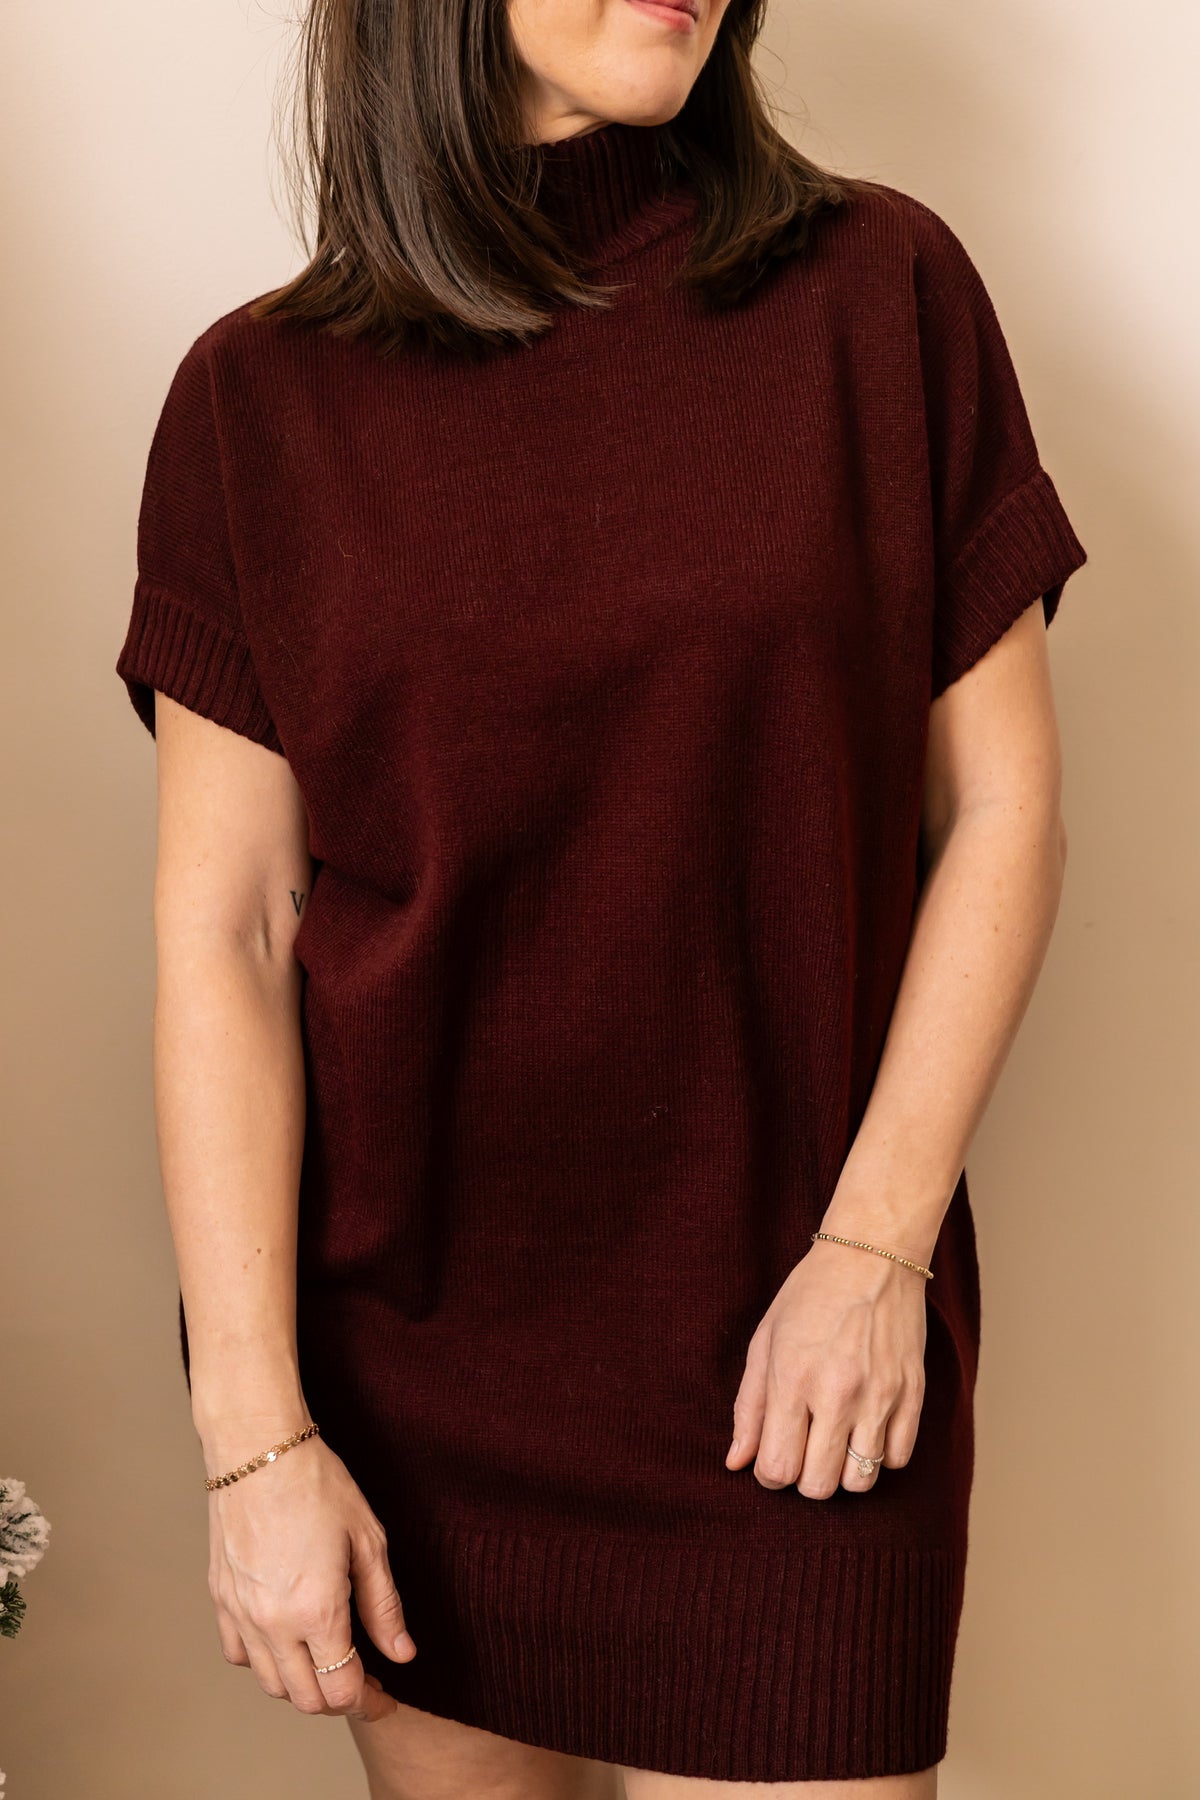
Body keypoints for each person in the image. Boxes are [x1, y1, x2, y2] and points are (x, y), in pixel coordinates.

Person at [114, 0, 1088, 1795]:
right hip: (409, 1387)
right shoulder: (255, 401)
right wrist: (254, 1436)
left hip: (799, 1356)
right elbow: (229, 937)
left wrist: (876, 1249)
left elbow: (1003, 811)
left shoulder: (882, 293)